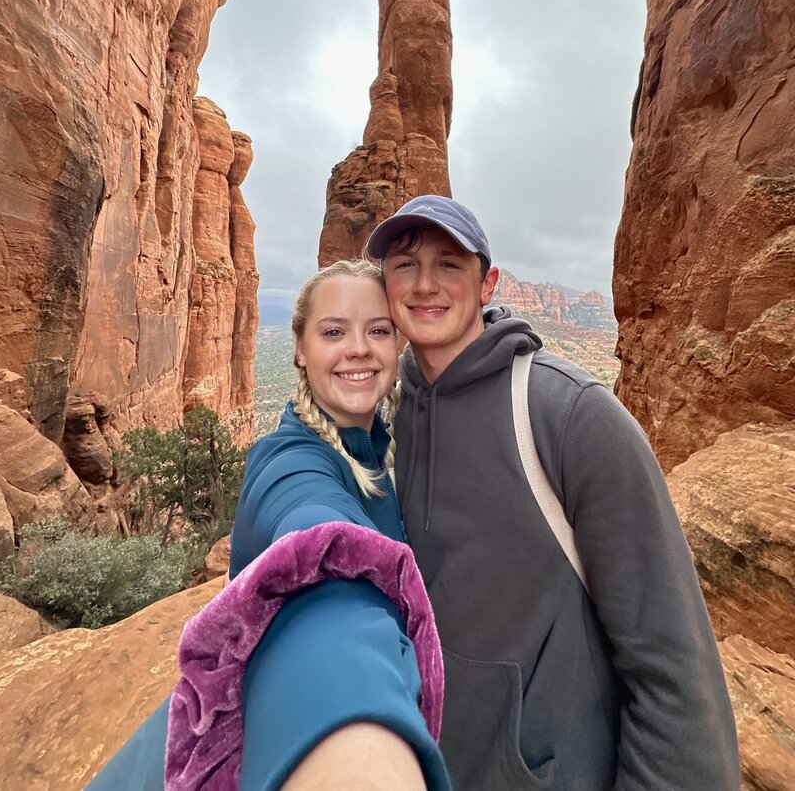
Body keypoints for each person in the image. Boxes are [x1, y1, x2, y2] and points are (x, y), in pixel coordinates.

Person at [366, 195, 740, 791]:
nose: (425, 284)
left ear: (487, 283)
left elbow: (675, 675)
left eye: (450, 265)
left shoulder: (569, 417)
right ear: (384, 286)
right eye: (405, 265)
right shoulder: (386, 418)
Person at [89, 260, 450, 791]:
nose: (359, 348)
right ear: (300, 350)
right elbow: (319, 551)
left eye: (378, 330)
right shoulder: (286, 461)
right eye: (333, 331)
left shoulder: (388, 447)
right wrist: (359, 733)